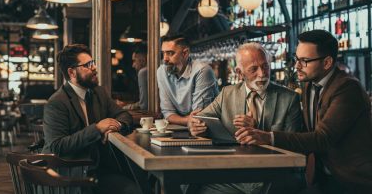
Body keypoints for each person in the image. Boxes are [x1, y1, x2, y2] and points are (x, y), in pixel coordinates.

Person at [236, 30, 372, 193]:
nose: (297, 66)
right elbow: (305, 132)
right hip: (322, 178)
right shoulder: (309, 84)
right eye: (297, 59)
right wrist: (256, 125)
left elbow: (322, 138)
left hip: (351, 181)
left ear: (327, 62)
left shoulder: (348, 88)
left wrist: (267, 137)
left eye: (305, 61)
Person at [188, 42, 304, 194]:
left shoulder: (289, 99)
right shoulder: (226, 94)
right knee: (191, 185)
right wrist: (195, 126)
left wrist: (258, 131)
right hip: (234, 174)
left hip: (272, 175)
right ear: (239, 73)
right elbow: (202, 118)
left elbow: (293, 146)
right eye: (253, 69)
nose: (262, 74)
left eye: (265, 66)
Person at [42, 44, 137, 193]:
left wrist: (116, 124)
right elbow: (57, 146)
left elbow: (124, 115)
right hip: (69, 175)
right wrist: (98, 129)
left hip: (98, 168)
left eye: (93, 63)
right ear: (72, 72)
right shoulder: (57, 102)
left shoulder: (98, 92)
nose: (94, 68)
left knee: (135, 187)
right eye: (87, 65)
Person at [157, 34, 219, 125]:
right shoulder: (161, 71)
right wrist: (187, 120)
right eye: (163, 53)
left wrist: (184, 119)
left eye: (170, 53)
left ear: (185, 53)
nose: (165, 59)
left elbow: (199, 117)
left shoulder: (202, 70)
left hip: (208, 130)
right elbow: (167, 112)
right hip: (181, 130)